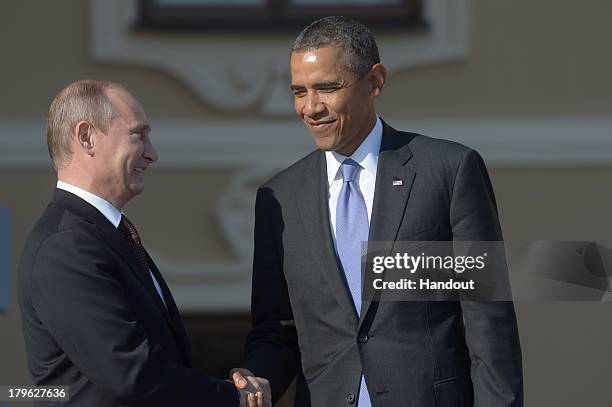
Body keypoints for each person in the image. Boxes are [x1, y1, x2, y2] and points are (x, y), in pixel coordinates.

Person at [232, 16, 523, 407]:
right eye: (299, 91)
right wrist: (255, 375)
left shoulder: (449, 171)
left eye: (328, 88)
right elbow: (278, 328)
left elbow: (488, 321)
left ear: (375, 81)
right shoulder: (278, 197)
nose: (310, 107)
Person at [17, 80, 268, 407]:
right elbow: (131, 374)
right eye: (138, 135)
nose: (152, 154)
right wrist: (235, 398)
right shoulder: (66, 248)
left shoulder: (104, 235)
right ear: (86, 137)